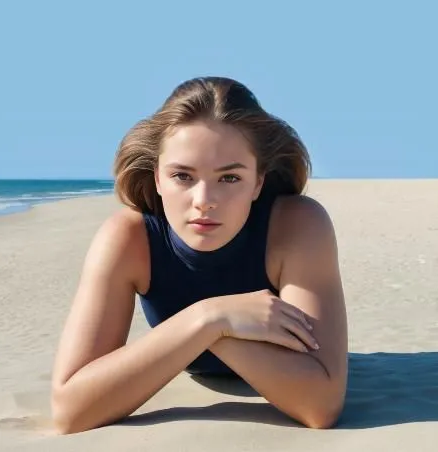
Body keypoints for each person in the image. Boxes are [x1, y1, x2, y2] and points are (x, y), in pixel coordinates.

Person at [50, 76, 348, 434]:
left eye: (230, 178)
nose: (204, 199)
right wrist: (212, 317)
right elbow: (70, 411)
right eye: (182, 176)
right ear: (157, 178)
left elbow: (320, 406)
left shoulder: (296, 226)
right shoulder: (129, 239)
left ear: (258, 182)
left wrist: (202, 331)